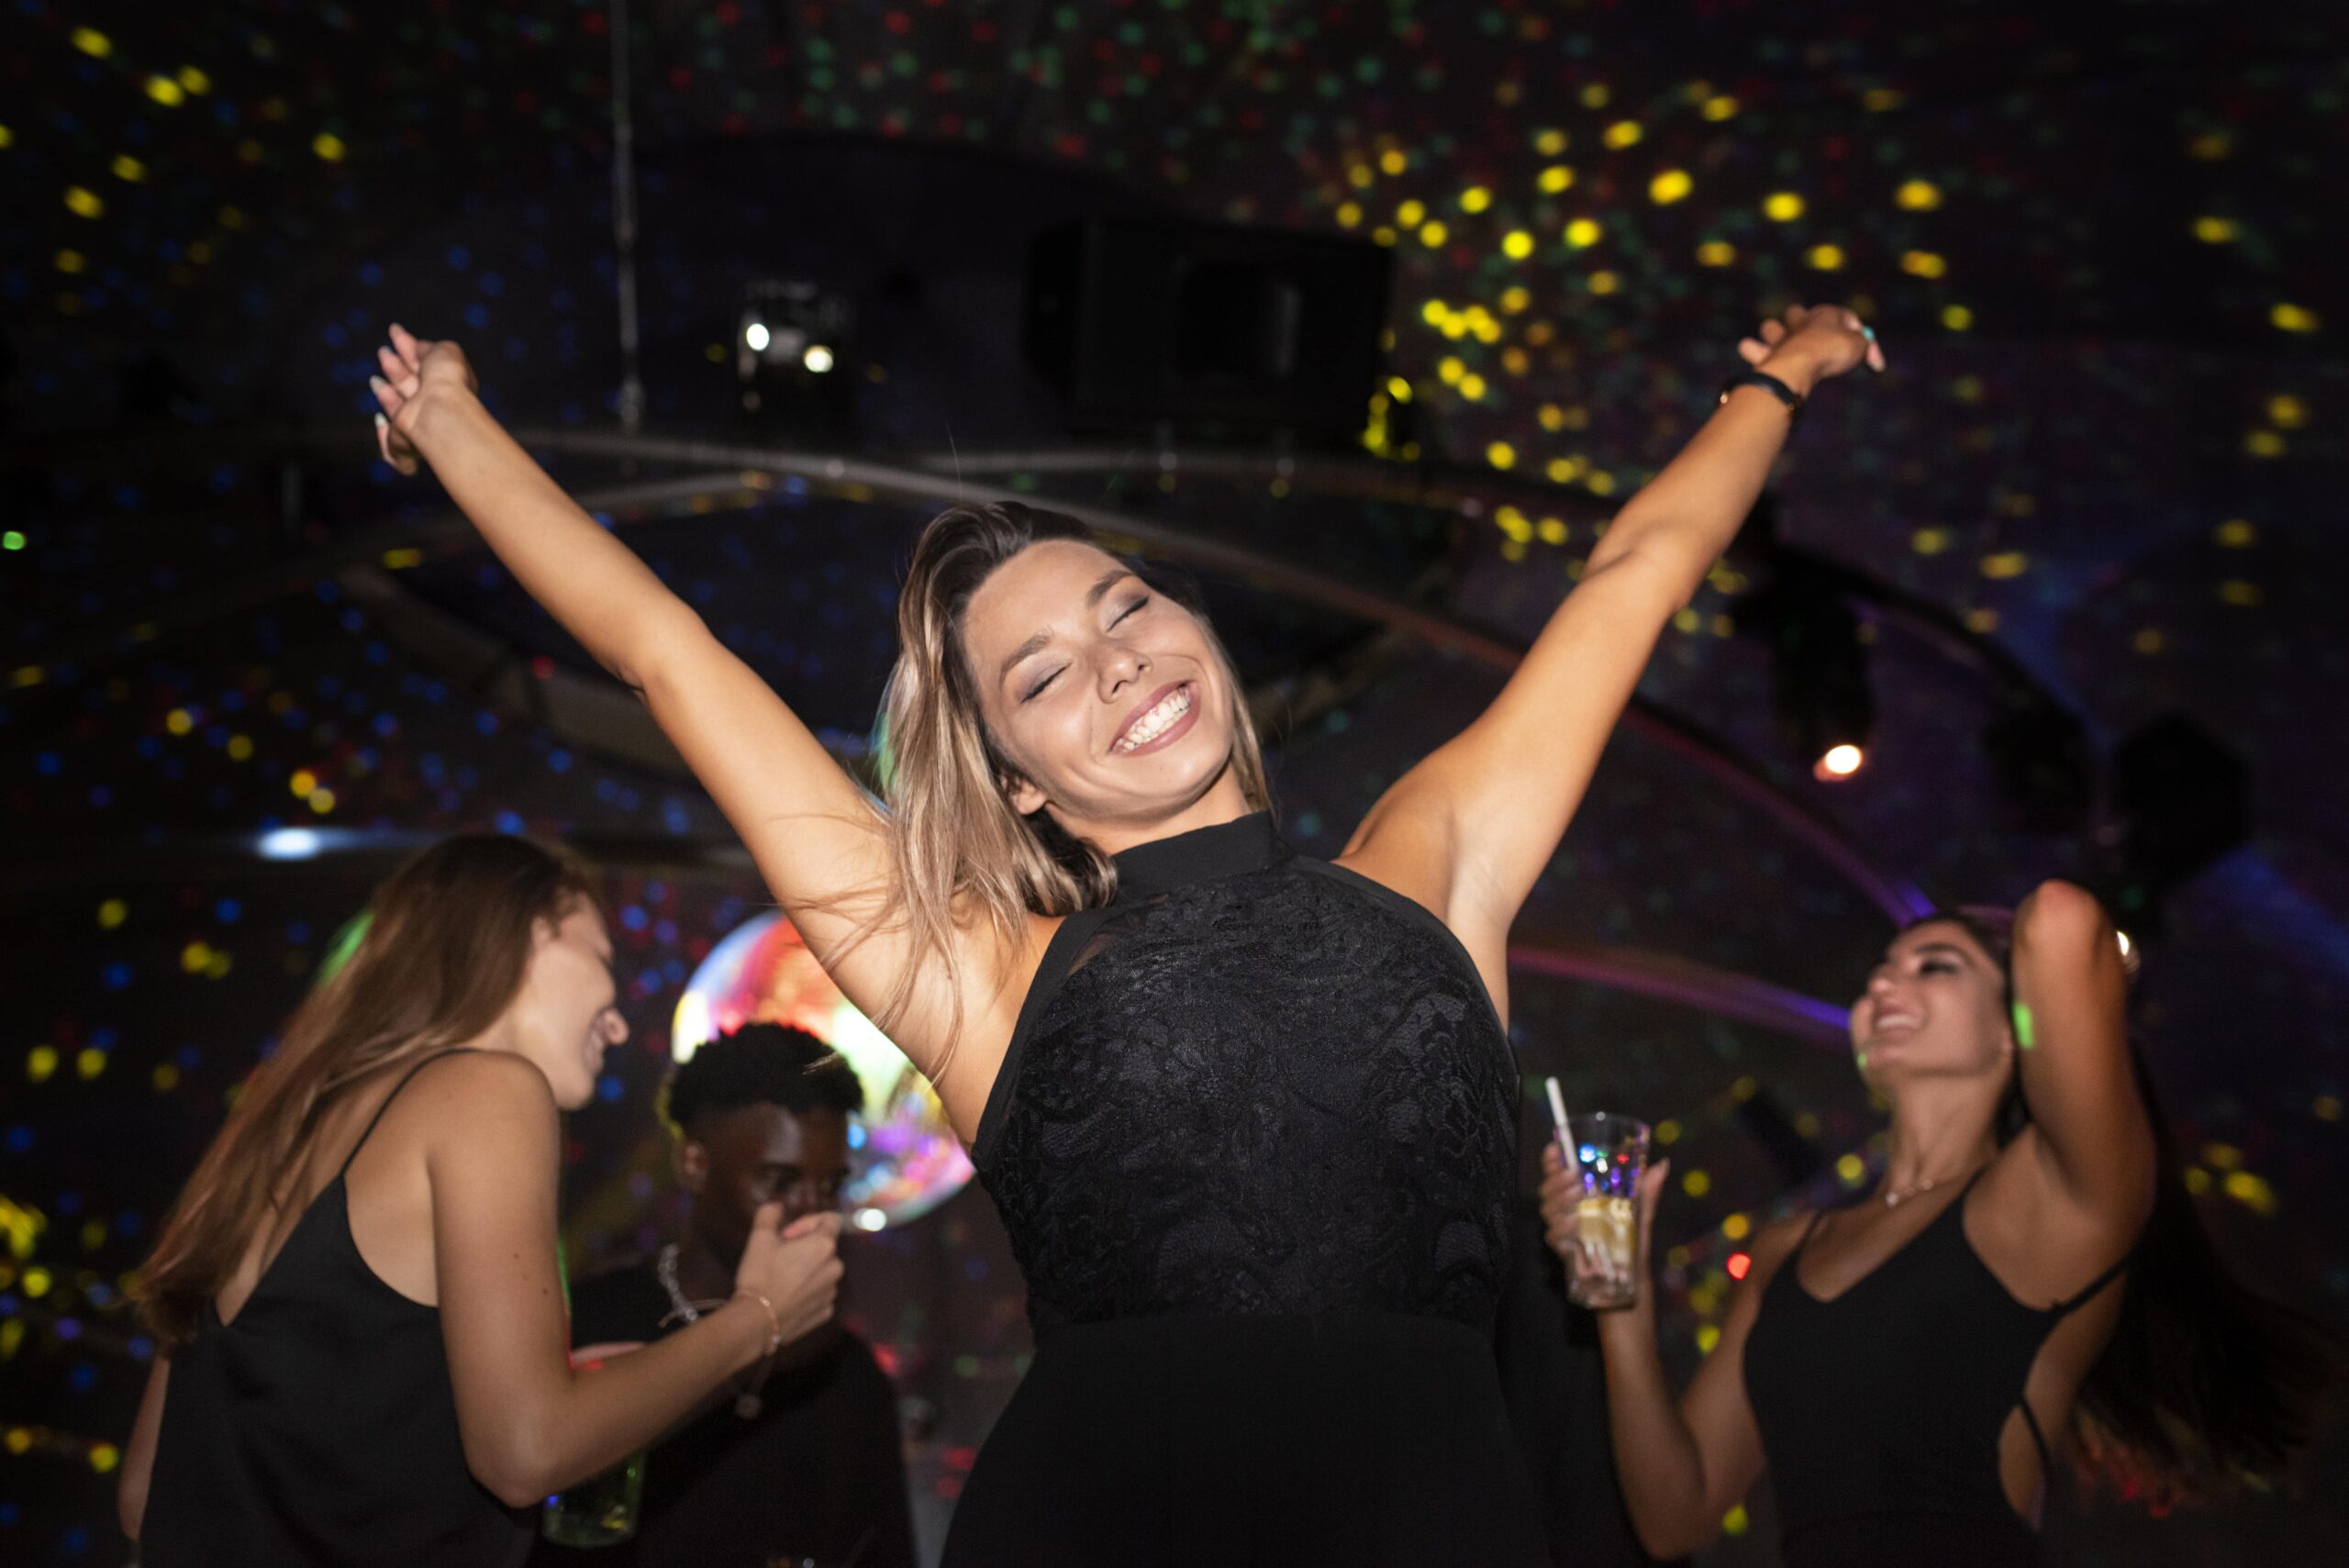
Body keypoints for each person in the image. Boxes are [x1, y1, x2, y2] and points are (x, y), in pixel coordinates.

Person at [365, 303, 1884, 1564]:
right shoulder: (978, 969)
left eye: (1126, 603)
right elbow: (670, 657)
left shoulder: (1435, 865)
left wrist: (1774, 380)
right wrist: (458, 429)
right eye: (1040, 674)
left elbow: (1635, 573)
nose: (1116, 660)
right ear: (1019, 779)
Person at [1542, 883, 2340, 1567]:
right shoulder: (1788, 1248)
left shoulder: (2054, 1194)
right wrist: (1621, 1294)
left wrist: (2061, 989)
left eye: (1934, 966)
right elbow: (1676, 1513)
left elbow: (2062, 918)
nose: (1884, 986)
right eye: (1878, 973)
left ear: (2011, 1025)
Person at [119, 835, 844, 1567]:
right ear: (535, 929)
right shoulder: (487, 1087)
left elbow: (147, 1492)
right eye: (603, 963)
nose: (619, 1023)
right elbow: (526, 1450)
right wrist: (761, 1318)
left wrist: (511, 1385)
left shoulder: (273, 1132)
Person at [532, 1022, 916, 1568]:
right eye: (779, 1182)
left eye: (829, 1186)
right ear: (694, 1164)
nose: (813, 1215)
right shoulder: (587, 1323)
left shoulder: (848, 1373)